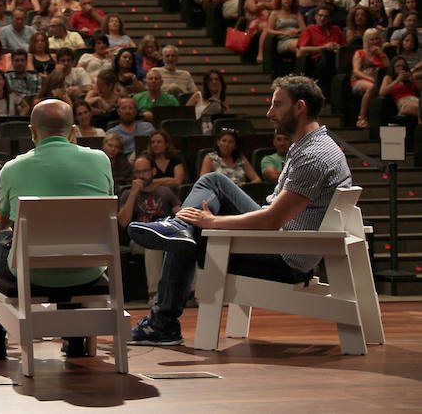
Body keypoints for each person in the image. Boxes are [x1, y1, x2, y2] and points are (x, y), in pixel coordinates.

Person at [128, 75, 351, 345]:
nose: (270, 113)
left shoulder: (313, 156)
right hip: (283, 237)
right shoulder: (313, 144)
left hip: (283, 254)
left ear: (300, 107)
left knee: (191, 238)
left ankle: (163, 322)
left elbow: (271, 220)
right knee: (214, 181)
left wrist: (211, 222)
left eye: (277, 105)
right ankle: (180, 226)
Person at [0, 99, 114, 359]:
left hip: (32, 273)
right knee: (69, 242)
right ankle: (74, 342)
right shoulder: (101, 161)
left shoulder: (13, 168)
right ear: (73, 131)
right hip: (88, 269)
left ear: (32, 131)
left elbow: (2, 223)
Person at [117, 156, 181, 304]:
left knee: (186, 243)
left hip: (164, 235)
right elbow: (123, 222)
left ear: (152, 171)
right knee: (153, 244)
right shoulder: (128, 194)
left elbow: (180, 214)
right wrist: (133, 193)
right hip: (139, 239)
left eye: (145, 171)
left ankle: (195, 293)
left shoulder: (165, 192)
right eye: (137, 172)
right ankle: (154, 294)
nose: (141, 176)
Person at [296, 5, 345, 95]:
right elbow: (301, 50)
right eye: (320, 15)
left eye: (326, 17)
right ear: (315, 17)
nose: (322, 18)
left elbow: (343, 47)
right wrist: (324, 47)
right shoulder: (309, 30)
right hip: (316, 61)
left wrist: (337, 47)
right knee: (327, 54)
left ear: (330, 18)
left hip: (337, 59)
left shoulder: (336, 30)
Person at [351, 28, 390, 128]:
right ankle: (362, 118)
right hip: (360, 81)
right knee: (371, 87)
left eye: (377, 39)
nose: (375, 42)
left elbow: (389, 70)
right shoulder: (360, 53)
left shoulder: (382, 54)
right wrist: (371, 79)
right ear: (366, 41)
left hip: (380, 82)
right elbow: (356, 71)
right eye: (371, 39)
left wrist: (382, 55)